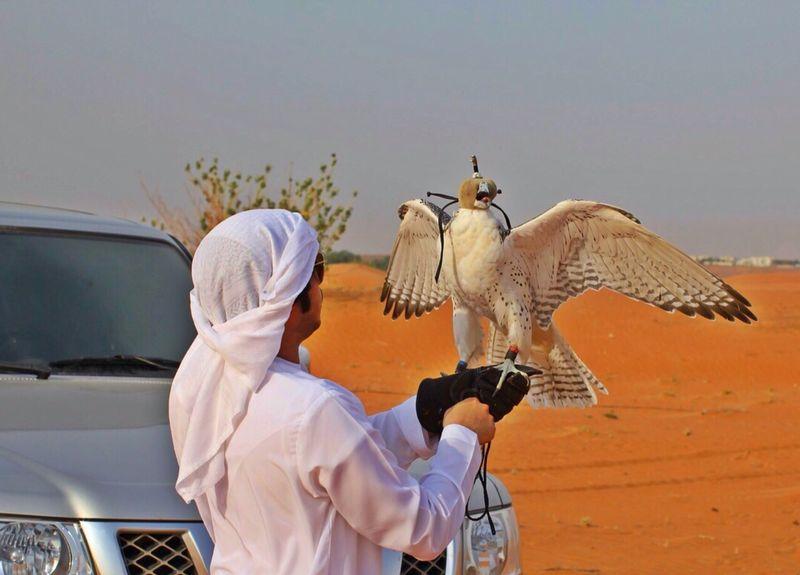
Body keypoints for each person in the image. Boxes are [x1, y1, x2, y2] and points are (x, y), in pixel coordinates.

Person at [168, 209, 528, 574]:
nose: (320, 285)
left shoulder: (202, 394)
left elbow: (329, 461)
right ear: (288, 293)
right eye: (315, 270)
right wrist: (463, 434)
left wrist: (425, 409)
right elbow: (423, 528)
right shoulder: (313, 407)